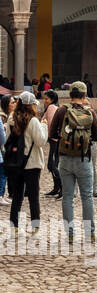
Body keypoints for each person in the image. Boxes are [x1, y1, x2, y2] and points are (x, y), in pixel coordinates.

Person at [50, 81, 97, 240]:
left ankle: (70, 234)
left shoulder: (61, 111)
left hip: (65, 159)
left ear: (70, 95)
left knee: (68, 197)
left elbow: (52, 133)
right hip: (84, 158)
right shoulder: (90, 112)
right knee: (87, 197)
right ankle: (90, 233)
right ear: (85, 95)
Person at [6, 91, 47, 233]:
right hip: (32, 163)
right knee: (33, 197)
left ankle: (14, 226)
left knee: (17, 196)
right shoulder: (34, 121)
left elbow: (7, 141)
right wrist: (45, 126)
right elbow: (41, 142)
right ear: (32, 106)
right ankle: (35, 226)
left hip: (16, 163)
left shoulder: (11, 119)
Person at [41, 89, 61, 199]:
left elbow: (52, 124)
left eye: (46, 99)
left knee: (53, 165)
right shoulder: (52, 107)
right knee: (52, 164)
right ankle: (56, 188)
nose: (45, 101)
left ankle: (61, 188)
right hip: (54, 140)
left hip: (55, 140)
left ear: (52, 99)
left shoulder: (51, 107)